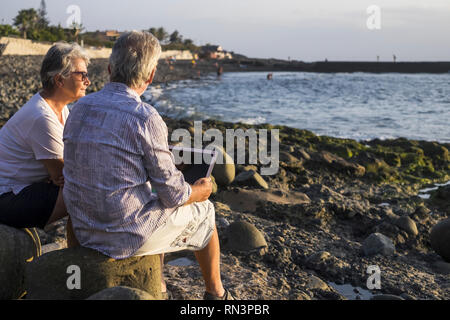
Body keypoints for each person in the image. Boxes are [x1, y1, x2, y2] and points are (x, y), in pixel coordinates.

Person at [63, 31, 233, 300]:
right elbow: (174, 195)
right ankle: (217, 294)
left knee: (147, 197)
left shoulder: (80, 108)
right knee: (205, 210)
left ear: (109, 69)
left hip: (83, 227)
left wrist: (159, 153)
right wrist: (198, 192)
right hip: (123, 235)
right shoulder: (145, 117)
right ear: (151, 75)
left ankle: (159, 284)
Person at [0, 42, 90, 229]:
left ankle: (78, 252)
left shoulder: (60, 109)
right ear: (59, 80)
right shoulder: (41, 117)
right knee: (84, 191)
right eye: (82, 75)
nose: (87, 81)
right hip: (7, 196)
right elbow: (64, 175)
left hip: (21, 188)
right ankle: (78, 254)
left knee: (85, 183)